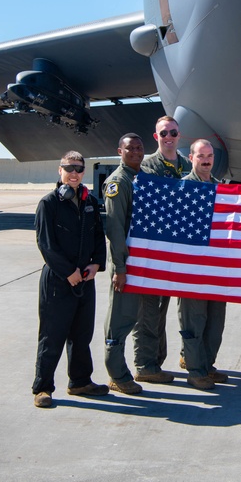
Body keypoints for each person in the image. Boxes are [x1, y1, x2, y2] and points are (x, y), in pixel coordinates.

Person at [32, 151, 109, 408]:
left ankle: (80, 381)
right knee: (52, 335)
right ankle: (42, 388)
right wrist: (68, 272)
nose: (74, 173)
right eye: (69, 168)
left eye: (79, 169)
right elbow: (46, 245)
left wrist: (96, 263)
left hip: (85, 278)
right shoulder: (49, 203)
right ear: (60, 170)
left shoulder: (89, 202)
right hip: (58, 279)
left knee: (82, 334)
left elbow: (99, 235)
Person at [134, 116, 191, 385]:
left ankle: (182, 357)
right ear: (156, 137)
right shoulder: (146, 167)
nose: (169, 136)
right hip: (154, 252)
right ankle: (147, 364)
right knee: (150, 312)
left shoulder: (189, 166)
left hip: (181, 252)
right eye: (163, 133)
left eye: (173, 132)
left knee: (184, 310)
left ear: (180, 135)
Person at [177, 139, 229, 390]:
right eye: (201, 156)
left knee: (215, 324)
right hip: (192, 271)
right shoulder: (183, 187)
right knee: (193, 322)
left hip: (216, 270)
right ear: (191, 158)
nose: (207, 160)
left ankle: (207, 366)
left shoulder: (221, 188)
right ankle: (195, 370)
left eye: (209, 156)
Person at [102, 134, 147, 395]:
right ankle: (117, 374)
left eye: (140, 148)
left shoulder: (140, 178)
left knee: (134, 318)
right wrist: (120, 268)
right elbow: (115, 229)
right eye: (130, 148)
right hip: (126, 264)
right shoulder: (118, 182)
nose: (136, 152)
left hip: (140, 263)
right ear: (120, 150)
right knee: (120, 318)